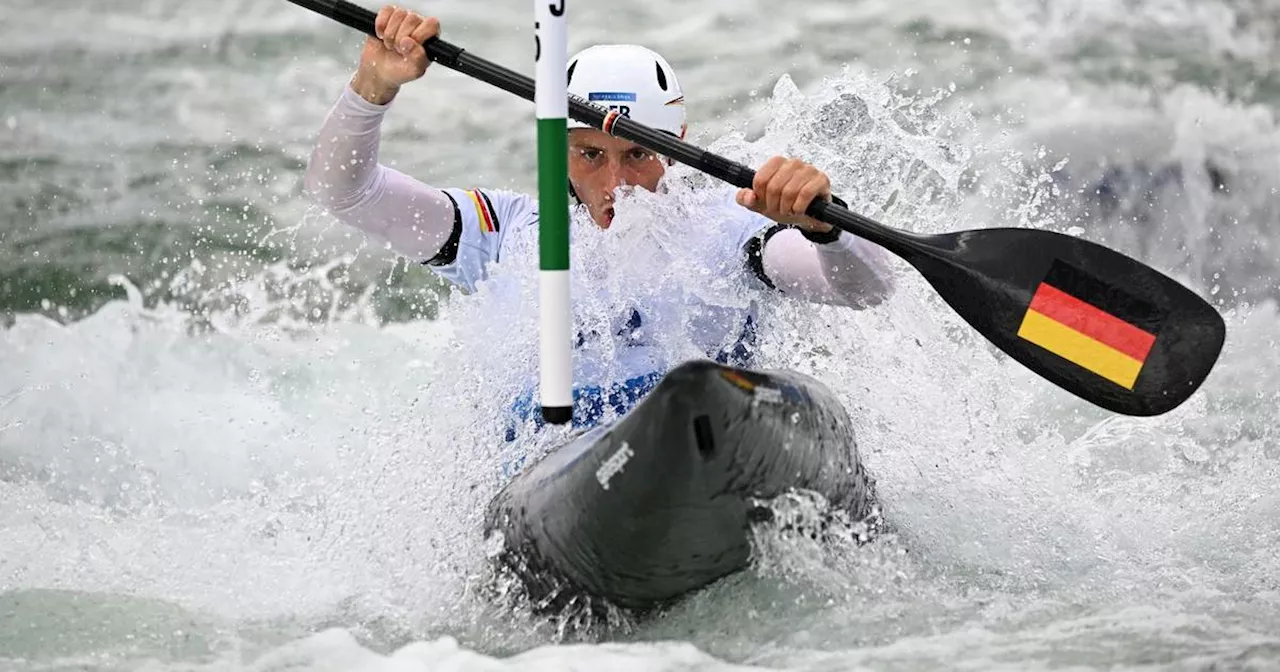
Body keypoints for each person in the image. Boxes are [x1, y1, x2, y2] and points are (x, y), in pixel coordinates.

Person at [303, 5, 896, 435]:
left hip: (699, 439)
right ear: (558, 150)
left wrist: (826, 228)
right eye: (590, 154)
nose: (614, 183)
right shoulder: (504, 233)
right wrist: (372, 86)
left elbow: (867, 290)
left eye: (637, 154)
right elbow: (344, 192)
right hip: (547, 466)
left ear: (677, 144)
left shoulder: (728, 228)